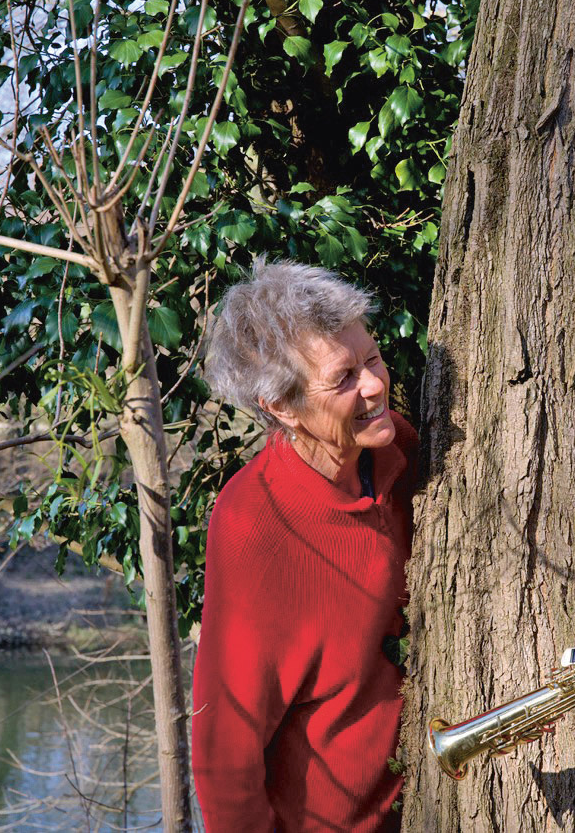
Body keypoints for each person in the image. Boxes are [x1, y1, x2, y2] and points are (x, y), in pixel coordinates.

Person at [191, 259, 417, 833]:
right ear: (282, 407)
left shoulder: (404, 454)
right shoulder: (254, 525)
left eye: (371, 358)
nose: (373, 385)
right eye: (343, 378)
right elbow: (224, 756)